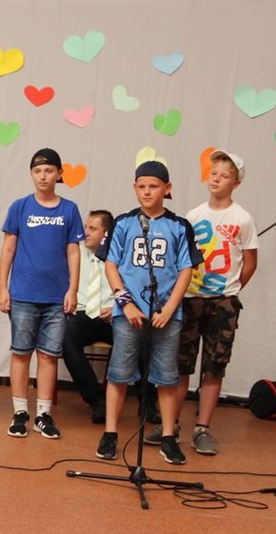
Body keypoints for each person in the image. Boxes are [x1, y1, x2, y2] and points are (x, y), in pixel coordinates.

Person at [145, 150, 258, 456]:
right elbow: (180, 258)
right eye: (214, 173)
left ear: (236, 183)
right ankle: (171, 425)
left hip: (223, 303)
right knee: (180, 365)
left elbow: (250, 262)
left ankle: (202, 428)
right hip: (191, 300)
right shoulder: (193, 216)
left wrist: (230, 290)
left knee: (214, 367)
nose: (216, 179)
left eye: (224, 175)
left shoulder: (242, 218)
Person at [94, 161, 201, 465]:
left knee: (166, 377)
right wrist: (125, 303)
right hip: (129, 312)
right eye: (141, 186)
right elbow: (111, 265)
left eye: (153, 186)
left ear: (167, 189)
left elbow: (186, 269)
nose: (147, 192)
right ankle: (110, 433)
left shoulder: (179, 226)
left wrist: (169, 309)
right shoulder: (124, 223)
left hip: (165, 313)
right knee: (119, 373)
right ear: (134, 188)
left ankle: (168, 436)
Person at [0, 148, 83, 439]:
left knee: (49, 356)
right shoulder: (20, 207)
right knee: (21, 353)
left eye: (48, 170)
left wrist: (73, 289)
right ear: (31, 174)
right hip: (23, 294)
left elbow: (73, 251)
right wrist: (2, 288)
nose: (43, 176)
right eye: (37, 171)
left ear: (59, 174)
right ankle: (20, 412)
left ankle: (44, 414)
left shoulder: (69, 209)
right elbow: (8, 249)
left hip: (56, 297)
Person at [62, 210, 115, 424]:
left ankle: (147, 402)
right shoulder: (74, 252)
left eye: (93, 229)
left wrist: (118, 308)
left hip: (112, 315)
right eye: (86, 227)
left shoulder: (119, 254)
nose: (86, 232)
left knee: (137, 340)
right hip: (83, 313)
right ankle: (96, 399)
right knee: (66, 341)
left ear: (106, 233)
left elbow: (132, 286)